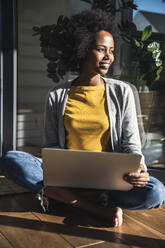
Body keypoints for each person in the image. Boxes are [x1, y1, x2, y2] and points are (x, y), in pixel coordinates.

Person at [0, 9, 165, 227]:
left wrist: (140, 170)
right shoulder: (57, 95)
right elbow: (50, 146)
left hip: (110, 181)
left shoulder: (122, 92)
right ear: (83, 48)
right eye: (101, 49)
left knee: (156, 192)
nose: (109, 56)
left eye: (112, 51)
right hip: (69, 177)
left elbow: (131, 144)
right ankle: (94, 207)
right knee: (12, 160)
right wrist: (61, 170)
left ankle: (65, 198)